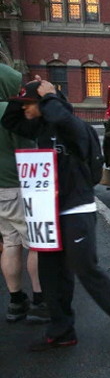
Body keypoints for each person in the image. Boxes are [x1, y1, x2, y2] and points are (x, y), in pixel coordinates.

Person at [2, 79, 110, 350]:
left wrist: (51, 98)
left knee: (84, 266)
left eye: (29, 104)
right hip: (48, 211)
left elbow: (65, 120)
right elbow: (9, 120)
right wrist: (26, 98)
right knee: (51, 272)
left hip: (77, 208)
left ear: (47, 105)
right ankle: (62, 330)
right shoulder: (39, 127)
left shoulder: (76, 128)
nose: (26, 110)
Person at [0, 64, 49, 324]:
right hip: (19, 185)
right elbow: (31, 140)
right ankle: (40, 300)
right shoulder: (11, 111)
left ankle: (16, 301)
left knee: (9, 243)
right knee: (34, 243)